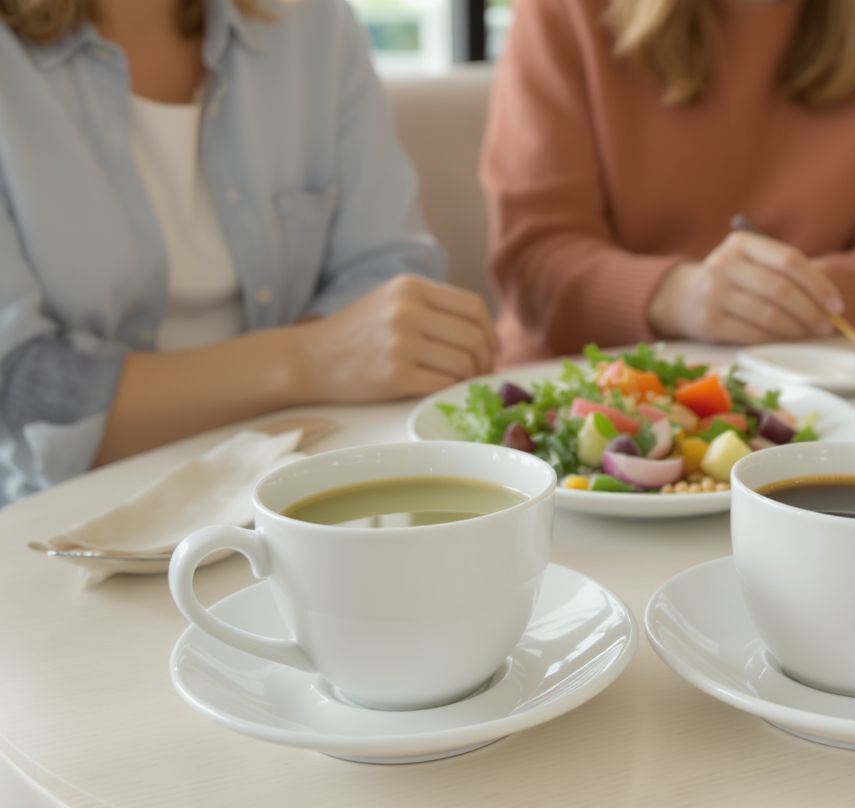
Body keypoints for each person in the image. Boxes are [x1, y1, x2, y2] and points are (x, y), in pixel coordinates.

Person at [0, 0, 496, 503]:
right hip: (62, 516)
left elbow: (389, 277)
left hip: (300, 480)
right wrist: (311, 359)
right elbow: (21, 396)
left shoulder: (311, 23)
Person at [482, 0, 855, 363]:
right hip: (576, 386)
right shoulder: (562, 9)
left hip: (825, 391)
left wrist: (772, 299)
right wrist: (674, 297)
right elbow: (534, 258)